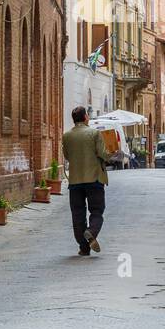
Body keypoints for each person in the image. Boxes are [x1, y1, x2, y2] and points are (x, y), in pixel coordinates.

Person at [62, 105, 110, 256]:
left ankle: (84, 248)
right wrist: (112, 153)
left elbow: (67, 156)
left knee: (77, 214)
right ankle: (91, 231)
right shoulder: (95, 133)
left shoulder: (67, 136)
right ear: (85, 118)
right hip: (94, 178)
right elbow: (103, 154)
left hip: (75, 180)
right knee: (96, 210)